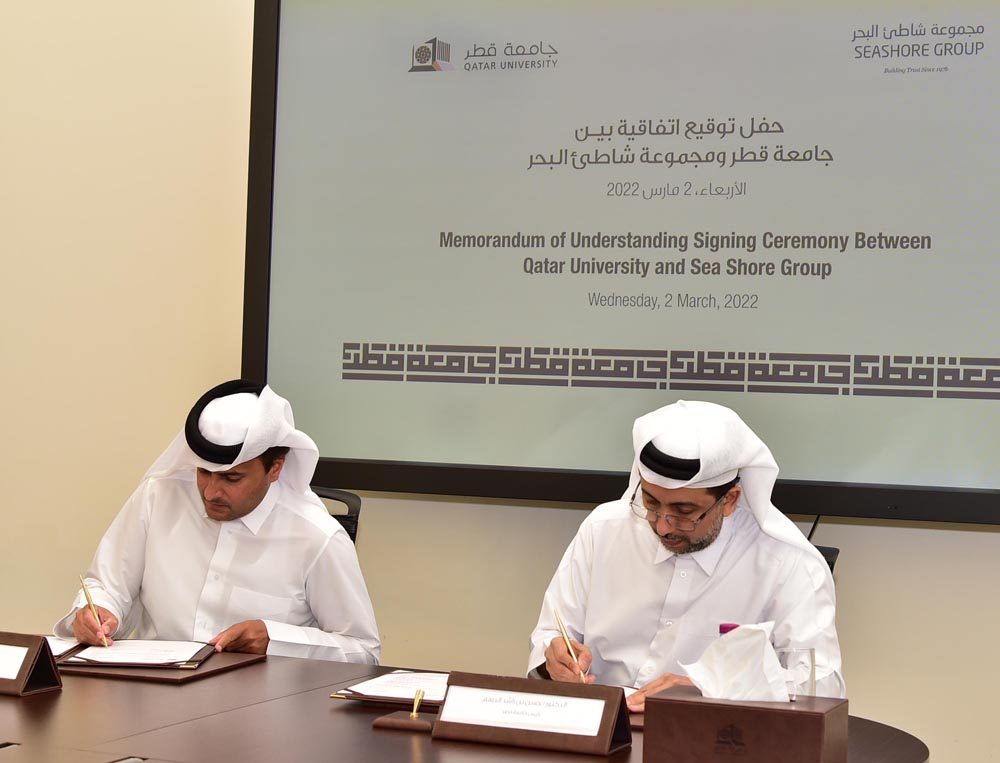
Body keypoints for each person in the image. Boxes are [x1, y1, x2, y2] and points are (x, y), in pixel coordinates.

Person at [528, 400, 843, 710]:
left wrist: (709, 691)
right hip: (600, 729)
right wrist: (552, 658)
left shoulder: (788, 564)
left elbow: (820, 686)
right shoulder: (603, 530)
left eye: (684, 512)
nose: (663, 527)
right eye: (651, 503)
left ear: (730, 500)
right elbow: (551, 633)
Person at [54, 379, 380, 663]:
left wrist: (277, 640)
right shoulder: (158, 497)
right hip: (151, 698)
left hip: (261, 716)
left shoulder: (318, 538)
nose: (211, 491)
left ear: (276, 468)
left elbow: (362, 650)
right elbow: (107, 586)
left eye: (231, 478)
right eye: (203, 472)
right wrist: (96, 612)